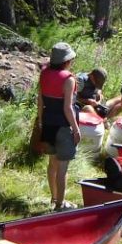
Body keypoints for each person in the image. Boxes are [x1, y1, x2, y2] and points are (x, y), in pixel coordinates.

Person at [36, 42, 81, 210]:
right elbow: (68, 107)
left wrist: (41, 121)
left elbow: (40, 100)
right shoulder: (68, 79)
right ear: (67, 61)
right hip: (63, 125)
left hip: (48, 123)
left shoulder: (44, 74)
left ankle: (54, 198)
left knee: (52, 163)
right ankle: (61, 205)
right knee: (63, 167)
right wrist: (76, 129)